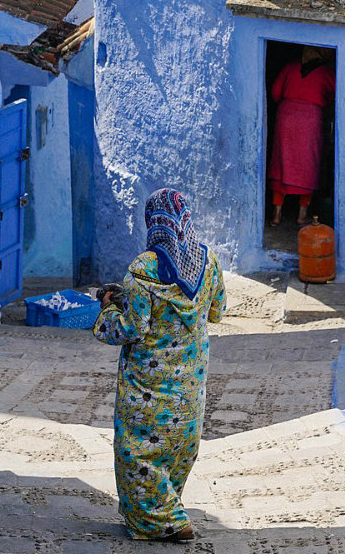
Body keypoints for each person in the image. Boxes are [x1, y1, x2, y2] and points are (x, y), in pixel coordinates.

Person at [93, 188, 226, 542]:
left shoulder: (141, 271)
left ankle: (162, 521)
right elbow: (216, 311)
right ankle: (169, 510)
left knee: (137, 451)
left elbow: (129, 329)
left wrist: (108, 306)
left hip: (146, 387)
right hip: (188, 384)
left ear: (153, 223)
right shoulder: (208, 262)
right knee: (177, 448)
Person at [268, 45, 336, 226]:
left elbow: (275, 91)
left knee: (281, 163)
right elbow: (334, 96)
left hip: (286, 116)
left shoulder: (290, 67)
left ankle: (276, 215)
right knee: (307, 163)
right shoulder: (327, 73)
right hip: (310, 120)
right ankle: (302, 215)